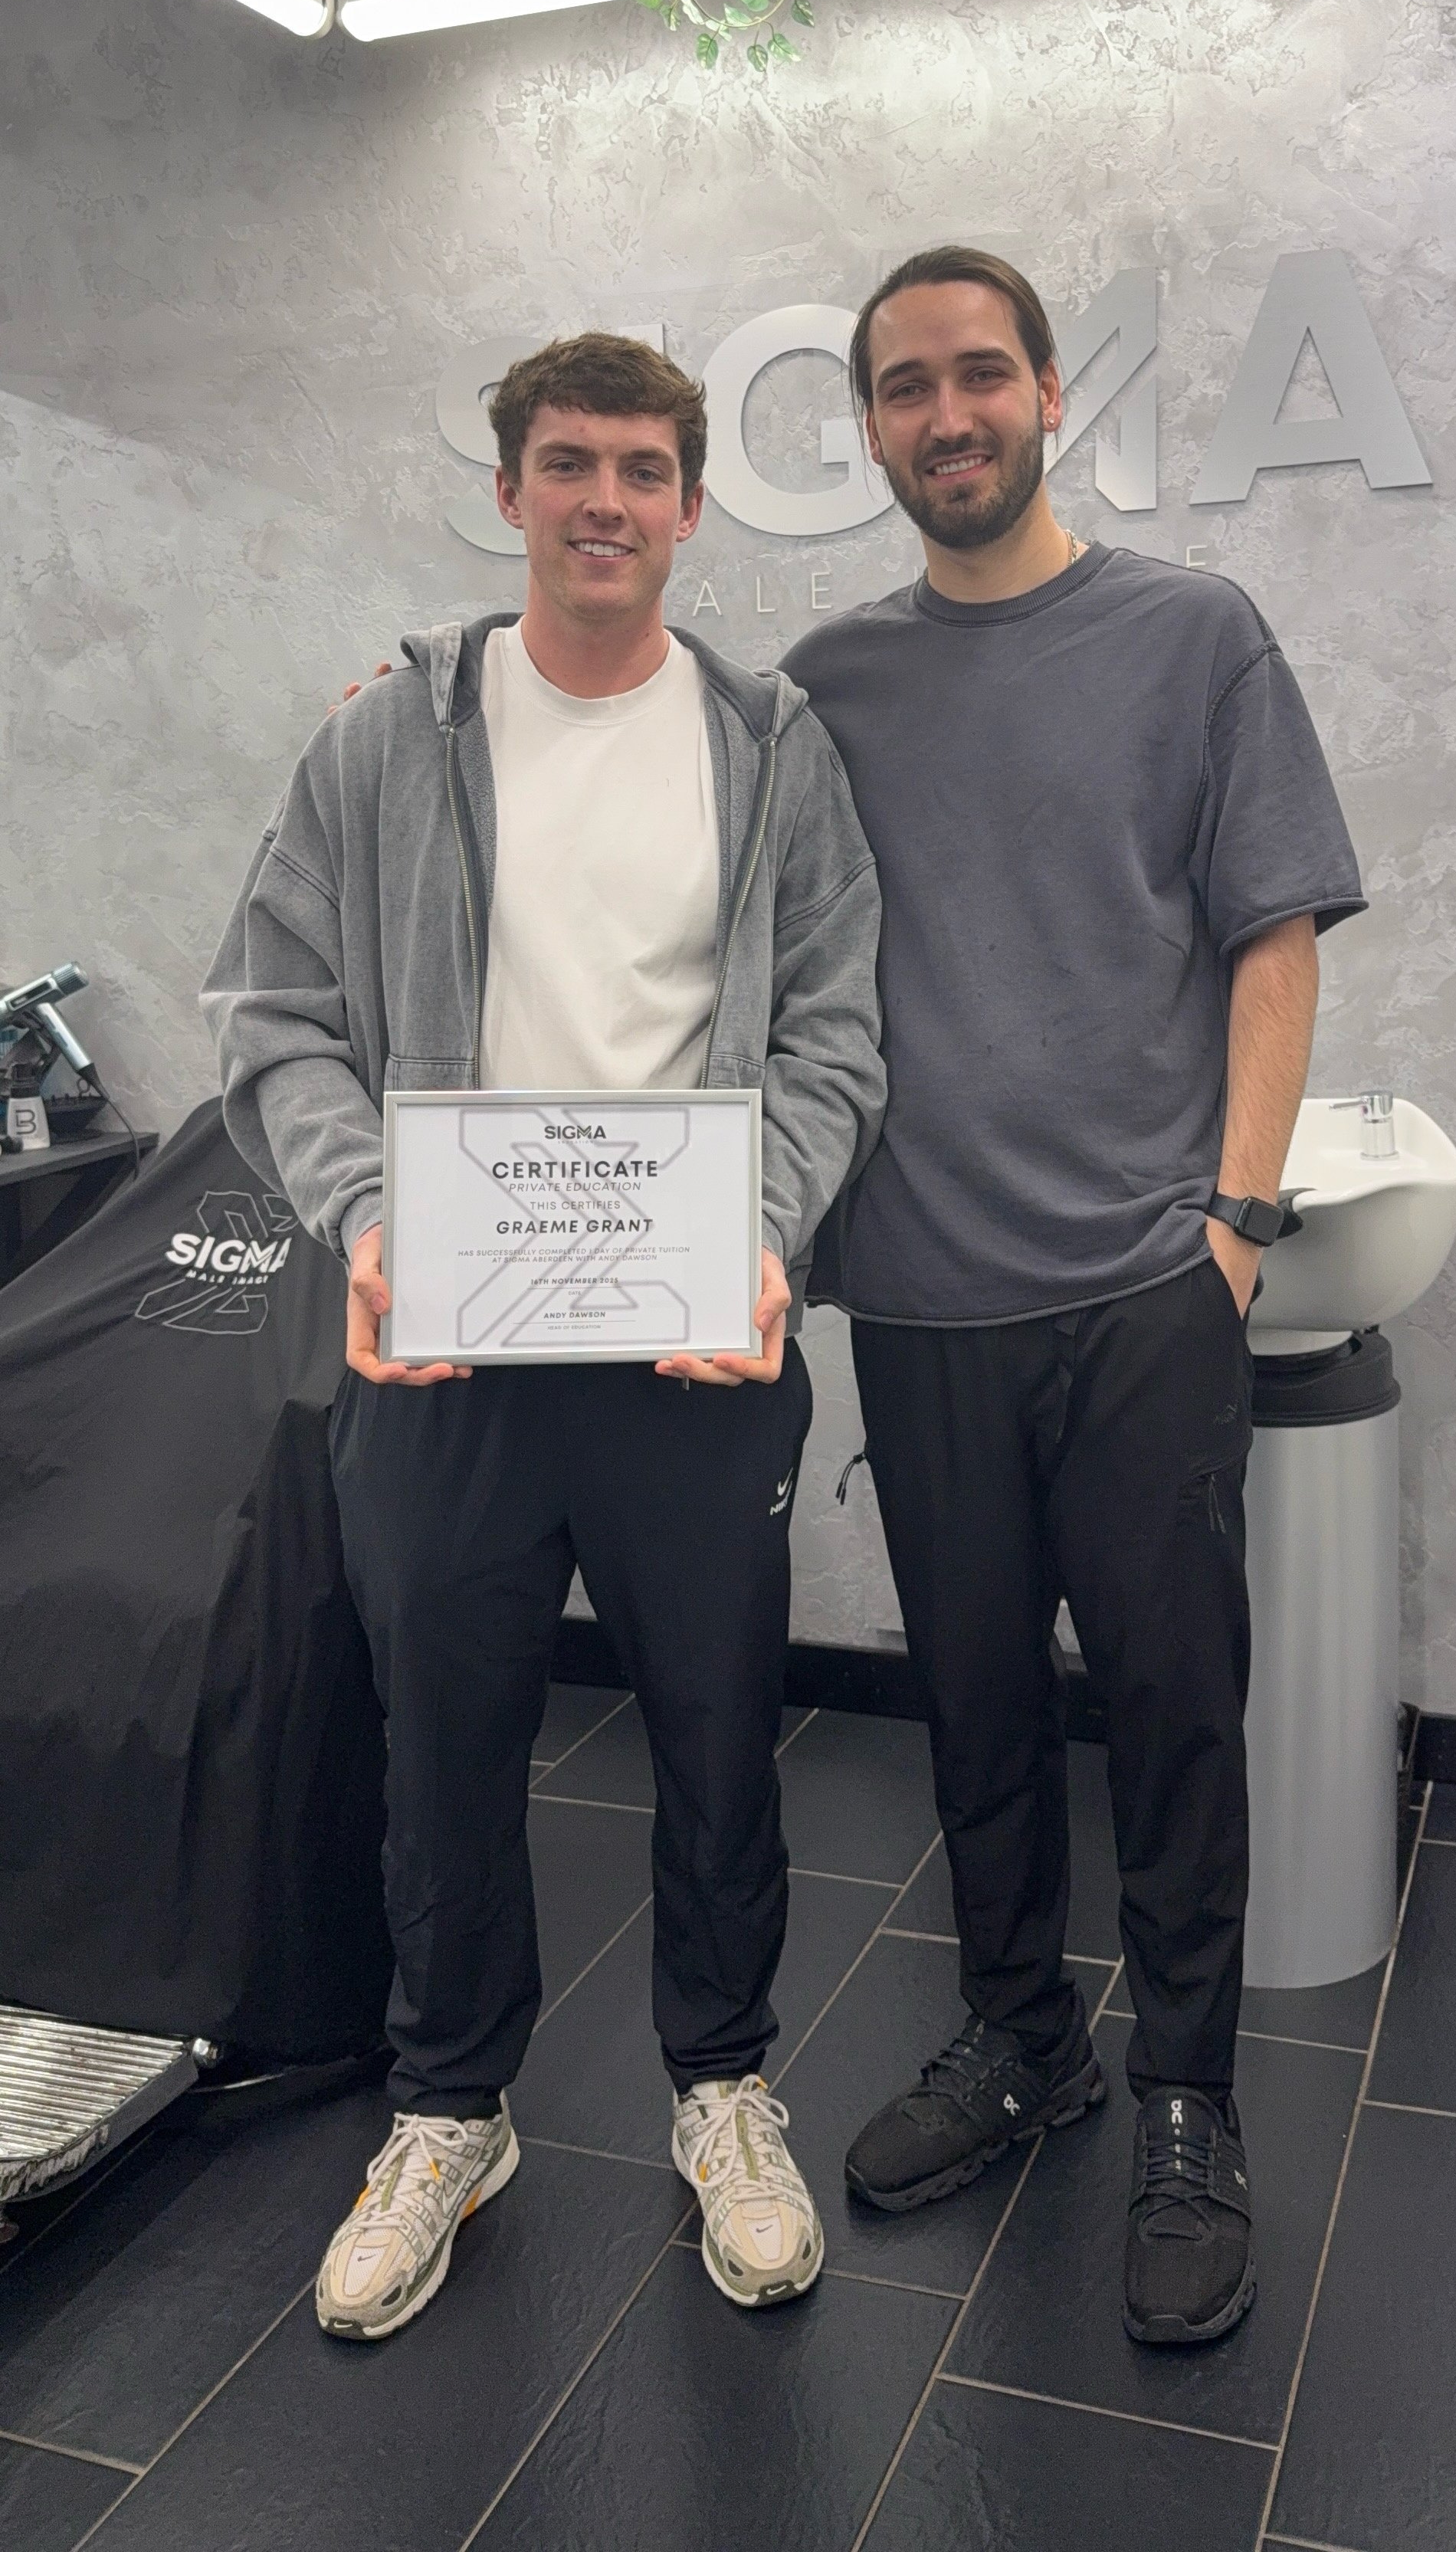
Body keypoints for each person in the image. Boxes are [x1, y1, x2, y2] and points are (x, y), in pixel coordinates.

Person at [203, 333, 884, 2342]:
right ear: (509, 492)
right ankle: (446, 2114)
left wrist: (764, 1236)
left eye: (646, 469)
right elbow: (272, 1015)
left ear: (688, 506)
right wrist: (367, 1212)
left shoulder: (771, 748)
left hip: (692, 1346)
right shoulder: (384, 741)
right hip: (446, 1354)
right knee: (445, 1744)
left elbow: (837, 1029)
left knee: (713, 1733)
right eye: (569, 463)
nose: (607, 499)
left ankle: (723, 2088)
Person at [782, 245, 1365, 2350]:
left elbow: (1273, 940)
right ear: (866, 429)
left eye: (977, 375)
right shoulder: (823, 683)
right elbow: (649, 804)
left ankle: (1190, 2098)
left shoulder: (1188, 634)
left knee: (1171, 1710)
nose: (945, 415)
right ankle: (1021, 2037)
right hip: (918, 1299)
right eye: (903, 388)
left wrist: (1229, 1220)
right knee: (975, 1714)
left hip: (1140, 1284)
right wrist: (421, 694)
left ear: (1044, 393)